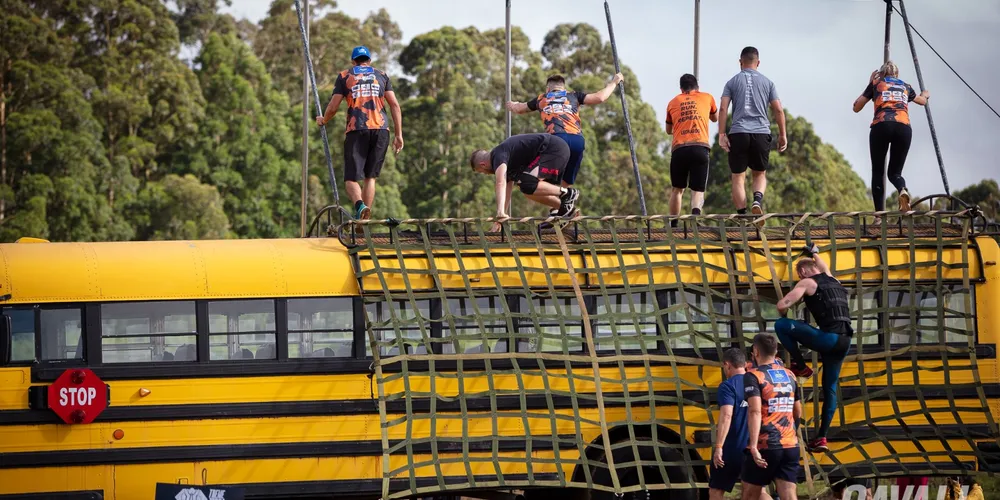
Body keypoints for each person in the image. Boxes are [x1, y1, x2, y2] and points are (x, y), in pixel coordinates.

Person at [774, 245, 853, 453]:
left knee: (781, 325)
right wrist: (815, 251)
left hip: (828, 338)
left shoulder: (807, 282)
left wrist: (785, 316)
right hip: (845, 341)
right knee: (830, 389)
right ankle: (822, 438)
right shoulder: (833, 280)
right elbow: (824, 267)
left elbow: (783, 305)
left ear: (801, 272)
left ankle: (801, 366)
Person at [317, 45, 404, 221]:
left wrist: (323, 120)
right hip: (381, 130)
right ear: (369, 60)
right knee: (370, 178)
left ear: (353, 61)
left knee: (351, 178)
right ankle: (364, 221)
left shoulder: (345, 76)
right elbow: (394, 105)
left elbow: (333, 107)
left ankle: (360, 206)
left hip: (357, 128)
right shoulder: (382, 75)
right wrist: (399, 135)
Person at [506, 72, 624, 192]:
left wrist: (512, 104)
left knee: (534, 181)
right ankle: (560, 208)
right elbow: (600, 97)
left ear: (548, 89)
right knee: (566, 181)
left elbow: (519, 109)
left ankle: (555, 201)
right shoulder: (573, 95)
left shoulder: (542, 98)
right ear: (564, 88)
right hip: (577, 140)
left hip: (557, 140)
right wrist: (614, 82)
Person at [852, 60, 930, 217]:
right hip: (903, 127)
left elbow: (856, 107)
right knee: (894, 173)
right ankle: (902, 189)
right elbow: (922, 102)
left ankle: (880, 217)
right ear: (897, 74)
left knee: (878, 172)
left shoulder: (877, 83)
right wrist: (925, 95)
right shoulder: (905, 86)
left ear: (881, 73)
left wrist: (870, 84)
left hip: (881, 125)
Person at [718, 47, 787, 217]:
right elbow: (778, 110)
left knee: (738, 177)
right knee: (759, 173)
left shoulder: (731, 82)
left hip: (738, 133)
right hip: (761, 133)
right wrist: (783, 135)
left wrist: (721, 135)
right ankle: (757, 200)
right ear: (758, 62)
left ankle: (742, 216)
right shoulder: (768, 83)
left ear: (740, 62)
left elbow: (722, 108)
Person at [469, 134, 580, 232]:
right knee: (528, 190)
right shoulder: (505, 160)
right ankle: (564, 208)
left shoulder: (498, 155)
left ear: (483, 164)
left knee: (527, 184)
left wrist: (499, 213)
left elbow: (500, 183)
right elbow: (506, 192)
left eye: (482, 172)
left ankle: (568, 193)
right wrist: (501, 217)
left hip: (553, 149)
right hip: (554, 151)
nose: (486, 174)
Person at [742, 333, 801, 500]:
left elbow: (754, 411)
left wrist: (753, 446)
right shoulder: (790, 375)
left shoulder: (753, 376)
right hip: (790, 445)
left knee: (750, 494)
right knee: (789, 494)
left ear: (755, 351)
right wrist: (791, 431)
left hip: (765, 445)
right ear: (776, 351)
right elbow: (797, 410)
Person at [711, 348, 773, 500]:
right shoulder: (756, 381)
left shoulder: (727, 386)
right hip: (756, 446)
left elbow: (726, 415)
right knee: (760, 492)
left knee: (716, 491)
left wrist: (719, 447)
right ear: (745, 364)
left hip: (733, 447)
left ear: (727, 365)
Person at [666, 74, 718, 222]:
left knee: (677, 189)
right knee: (697, 190)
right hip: (700, 147)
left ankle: (674, 224)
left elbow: (668, 130)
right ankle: (695, 218)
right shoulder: (707, 97)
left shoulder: (672, 102)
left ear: (681, 89)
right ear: (697, 87)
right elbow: (714, 118)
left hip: (679, 149)